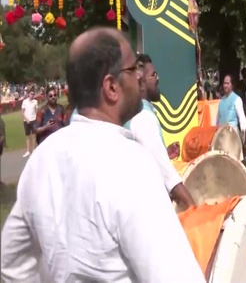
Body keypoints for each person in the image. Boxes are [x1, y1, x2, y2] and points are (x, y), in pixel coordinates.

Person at [1, 27, 205, 282]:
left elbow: (12, 264)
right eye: (133, 70)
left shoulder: (42, 158)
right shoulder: (132, 165)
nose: (139, 79)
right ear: (111, 87)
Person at [125, 53, 196, 211]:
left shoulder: (135, 113)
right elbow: (169, 178)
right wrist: (195, 210)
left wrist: (164, 152)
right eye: (153, 75)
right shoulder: (143, 118)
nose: (158, 78)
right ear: (141, 84)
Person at [21, 89, 38, 158]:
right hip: (26, 121)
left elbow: (36, 110)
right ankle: (28, 151)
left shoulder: (35, 101)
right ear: (28, 94)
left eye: (33, 94)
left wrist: (35, 116)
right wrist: (26, 119)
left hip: (33, 120)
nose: (32, 95)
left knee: (34, 136)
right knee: (28, 136)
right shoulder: (25, 102)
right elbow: (22, 112)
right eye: (31, 94)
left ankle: (33, 150)